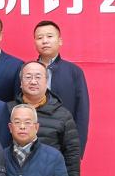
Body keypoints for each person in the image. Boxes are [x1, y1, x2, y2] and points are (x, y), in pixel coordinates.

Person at [34, 20, 90, 155]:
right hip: (33, 140)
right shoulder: (27, 70)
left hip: (63, 141)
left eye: (49, 36)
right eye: (40, 38)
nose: (45, 41)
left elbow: (82, 112)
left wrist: (77, 149)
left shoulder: (74, 72)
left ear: (60, 41)